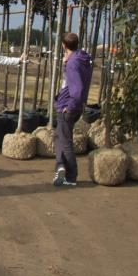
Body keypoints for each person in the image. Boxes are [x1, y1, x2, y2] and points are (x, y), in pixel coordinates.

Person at [53, 33, 93, 187]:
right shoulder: (81, 59)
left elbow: (77, 89)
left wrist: (69, 107)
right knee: (58, 137)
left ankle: (70, 176)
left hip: (68, 105)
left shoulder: (73, 63)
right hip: (76, 104)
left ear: (64, 45)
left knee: (66, 141)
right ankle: (60, 166)